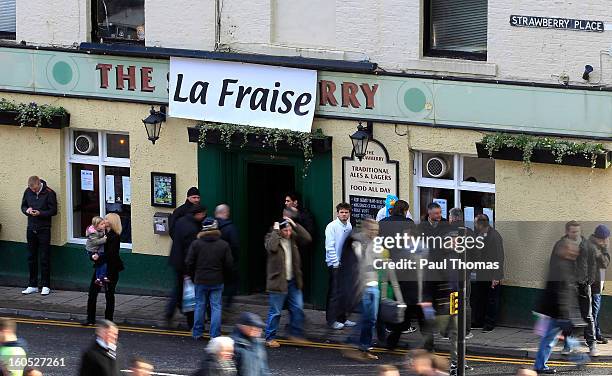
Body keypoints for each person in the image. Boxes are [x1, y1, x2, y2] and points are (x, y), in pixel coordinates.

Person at [533, 239, 586, 374]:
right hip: (557, 311)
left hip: (558, 311)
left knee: (556, 338)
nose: (575, 251)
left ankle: (579, 359)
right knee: (552, 339)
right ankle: (541, 366)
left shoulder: (565, 264)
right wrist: (565, 314)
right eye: (571, 249)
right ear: (564, 250)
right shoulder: (560, 266)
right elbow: (559, 291)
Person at [263, 216, 312, 348]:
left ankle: (295, 334)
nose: (289, 233)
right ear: (280, 230)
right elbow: (272, 248)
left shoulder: (293, 238)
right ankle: (269, 338)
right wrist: (275, 231)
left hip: (293, 281)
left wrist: (294, 224)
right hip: (278, 282)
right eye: (286, 231)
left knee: (298, 308)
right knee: (275, 312)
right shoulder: (270, 238)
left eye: (290, 230)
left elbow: (307, 238)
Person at [340, 219, 381, 361]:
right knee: (366, 317)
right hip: (361, 285)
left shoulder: (376, 242)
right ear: (365, 229)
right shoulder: (357, 242)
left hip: (374, 284)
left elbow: (378, 261)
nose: (375, 233)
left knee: (371, 319)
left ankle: (361, 347)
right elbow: (354, 264)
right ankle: (358, 346)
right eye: (372, 230)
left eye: (377, 230)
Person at [186, 219, 233, 339]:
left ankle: (197, 333)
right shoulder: (223, 245)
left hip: (200, 279)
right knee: (216, 307)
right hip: (217, 280)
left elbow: (189, 262)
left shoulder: (196, 244)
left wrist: (193, 275)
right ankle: (215, 334)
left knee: (199, 305)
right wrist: (224, 276)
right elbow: (229, 264)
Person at [166, 205, 207, 328]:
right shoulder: (192, 228)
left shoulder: (181, 221)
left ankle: (170, 312)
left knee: (179, 289)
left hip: (176, 260)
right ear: (198, 214)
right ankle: (191, 320)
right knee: (190, 293)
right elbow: (189, 251)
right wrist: (188, 270)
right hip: (185, 264)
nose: (204, 216)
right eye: (203, 214)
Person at [85, 213, 125, 325]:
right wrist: (93, 256)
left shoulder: (114, 236)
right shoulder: (102, 233)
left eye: (106, 219)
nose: (104, 220)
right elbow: (93, 243)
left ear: (111, 222)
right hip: (100, 267)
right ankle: (90, 319)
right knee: (92, 292)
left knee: (109, 294)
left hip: (111, 269)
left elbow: (111, 254)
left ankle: (108, 320)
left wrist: (98, 258)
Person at [21, 176, 58, 296]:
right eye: (32, 190)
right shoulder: (28, 191)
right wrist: (27, 210)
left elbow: (53, 211)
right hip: (31, 228)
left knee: (44, 257)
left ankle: (46, 285)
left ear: (39, 183)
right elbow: (23, 206)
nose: (34, 191)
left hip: (44, 229)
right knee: (31, 257)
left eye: (36, 189)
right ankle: (32, 285)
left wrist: (40, 213)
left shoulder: (49, 193)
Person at [471, 213, 504, 333]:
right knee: (479, 298)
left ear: (480, 224)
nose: (474, 225)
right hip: (481, 272)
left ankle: (489, 323)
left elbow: (499, 257)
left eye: (475, 223)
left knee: (491, 300)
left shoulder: (494, 236)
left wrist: (497, 276)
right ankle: (478, 321)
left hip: (491, 273)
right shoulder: (479, 234)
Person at [325, 203, 354, 330]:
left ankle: (342, 318)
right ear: (337, 213)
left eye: (346, 212)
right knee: (334, 294)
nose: (344, 214)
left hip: (345, 265)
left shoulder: (349, 225)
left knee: (344, 293)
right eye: (342, 212)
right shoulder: (331, 226)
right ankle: (331, 321)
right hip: (334, 264)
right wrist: (335, 263)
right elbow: (329, 246)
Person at [588, 225, 610, 349]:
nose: (607, 241)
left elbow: (605, 263)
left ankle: (596, 334)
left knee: (594, 313)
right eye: (606, 238)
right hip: (591, 285)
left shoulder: (602, 247)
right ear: (600, 237)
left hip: (598, 285)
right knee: (592, 313)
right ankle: (592, 337)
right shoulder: (590, 247)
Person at [215, 204, 240, 310]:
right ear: (226, 213)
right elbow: (235, 246)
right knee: (231, 283)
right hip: (227, 262)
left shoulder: (209, 226)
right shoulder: (230, 228)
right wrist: (234, 259)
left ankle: (215, 305)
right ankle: (226, 305)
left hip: (213, 262)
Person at [86, 216, 109, 286]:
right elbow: (95, 242)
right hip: (92, 251)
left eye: (104, 224)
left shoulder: (100, 230)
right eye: (102, 224)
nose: (104, 225)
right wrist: (105, 239)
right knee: (103, 263)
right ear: (96, 226)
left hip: (97, 250)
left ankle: (99, 279)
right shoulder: (93, 233)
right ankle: (102, 277)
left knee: (99, 264)